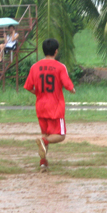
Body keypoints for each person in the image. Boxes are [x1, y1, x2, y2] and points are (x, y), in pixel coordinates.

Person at [24, 38, 75, 172]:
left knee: (46, 134)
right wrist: (72, 89)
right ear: (56, 51)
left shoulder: (35, 67)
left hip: (41, 106)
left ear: (44, 51)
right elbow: (67, 84)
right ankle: (44, 142)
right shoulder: (60, 66)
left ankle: (43, 164)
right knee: (60, 135)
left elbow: (28, 86)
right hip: (55, 107)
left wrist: (38, 93)